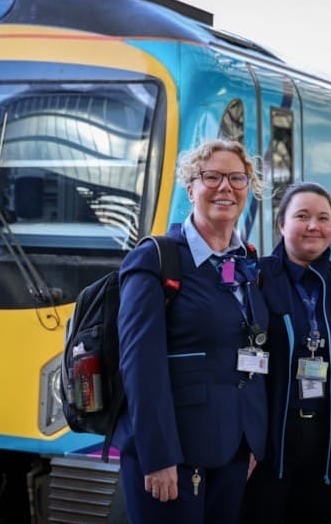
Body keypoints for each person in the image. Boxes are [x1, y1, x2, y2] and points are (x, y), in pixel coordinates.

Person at [115, 139, 269, 524]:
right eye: (211, 176)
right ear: (190, 188)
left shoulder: (245, 261)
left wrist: (252, 438)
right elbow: (140, 366)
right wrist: (158, 455)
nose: (226, 187)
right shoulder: (156, 259)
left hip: (232, 449)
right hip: (174, 458)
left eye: (237, 178)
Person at [242, 182, 331, 524]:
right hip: (267, 445)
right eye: (302, 216)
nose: (313, 226)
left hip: (329, 445)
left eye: (323, 218)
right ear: (281, 224)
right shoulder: (255, 278)